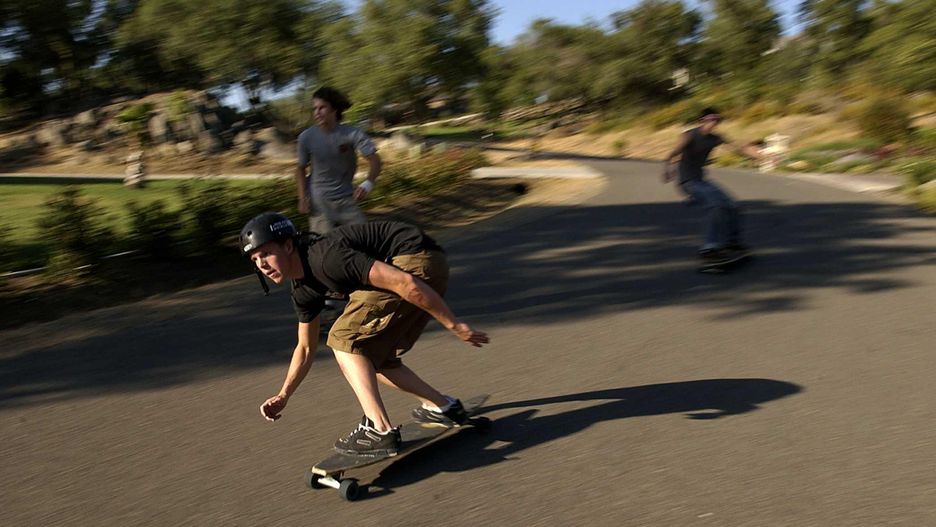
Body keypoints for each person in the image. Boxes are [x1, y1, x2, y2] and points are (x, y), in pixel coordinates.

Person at [241, 212, 489, 457]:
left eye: (266, 253)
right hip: (423, 265)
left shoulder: (326, 259)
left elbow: (405, 284)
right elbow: (305, 348)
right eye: (254, 259)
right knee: (370, 357)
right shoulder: (303, 291)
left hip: (415, 261)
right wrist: (284, 394)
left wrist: (453, 324)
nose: (261, 264)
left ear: (287, 246)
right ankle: (443, 406)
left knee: (343, 338)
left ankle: (379, 430)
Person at [662, 108, 762, 263]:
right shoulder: (689, 135)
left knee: (733, 206)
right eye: (710, 120)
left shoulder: (715, 138)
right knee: (716, 206)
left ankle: (732, 242)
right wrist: (667, 169)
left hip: (701, 180)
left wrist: (754, 156)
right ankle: (709, 248)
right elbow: (673, 153)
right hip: (688, 182)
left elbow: (735, 149)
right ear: (702, 120)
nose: (713, 123)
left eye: (716, 120)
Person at [295, 86, 382, 233]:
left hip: (346, 199)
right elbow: (300, 169)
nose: (317, 112)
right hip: (319, 203)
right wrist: (302, 198)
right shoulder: (306, 137)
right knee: (324, 249)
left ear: (334, 109)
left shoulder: (352, 134)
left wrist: (367, 184)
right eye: (314, 108)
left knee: (366, 239)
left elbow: (375, 160)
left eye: (322, 108)